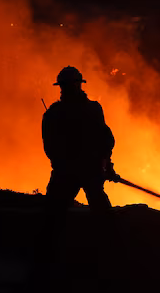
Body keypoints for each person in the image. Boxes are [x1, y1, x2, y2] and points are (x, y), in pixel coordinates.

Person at [42, 66, 119, 216]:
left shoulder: (55, 113)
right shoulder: (56, 113)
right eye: (65, 86)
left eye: (68, 85)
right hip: (75, 171)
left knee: (54, 212)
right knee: (54, 212)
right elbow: (50, 147)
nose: (66, 89)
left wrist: (106, 165)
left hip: (76, 171)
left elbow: (105, 140)